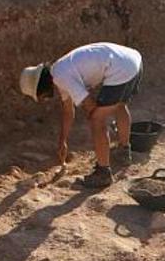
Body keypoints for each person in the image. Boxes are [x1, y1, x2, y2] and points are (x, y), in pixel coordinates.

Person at [19, 42, 143, 188]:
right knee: (119, 104)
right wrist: (62, 141)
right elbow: (68, 111)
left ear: (41, 88)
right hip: (133, 60)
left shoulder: (62, 77)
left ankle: (103, 173)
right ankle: (123, 151)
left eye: (41, 96)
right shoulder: (59, 71)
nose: (44, 99)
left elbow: (89, 105)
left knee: (96, 119)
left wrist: (96, 117)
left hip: (120, 69)